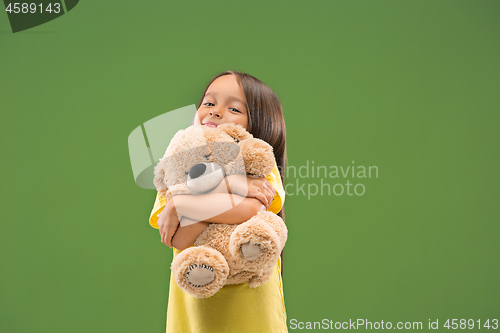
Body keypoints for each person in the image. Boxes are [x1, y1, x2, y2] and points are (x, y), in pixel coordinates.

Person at [148, 71, 288, 332]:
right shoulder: (174, 172)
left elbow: (253, 209)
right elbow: (179, 238)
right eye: (209, 103)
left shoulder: (258, 167)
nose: (215, 112)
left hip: (253, 317)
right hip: (193, 319)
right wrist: (232, 187)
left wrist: (184, 205)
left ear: (260, 124)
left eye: (234, 108)